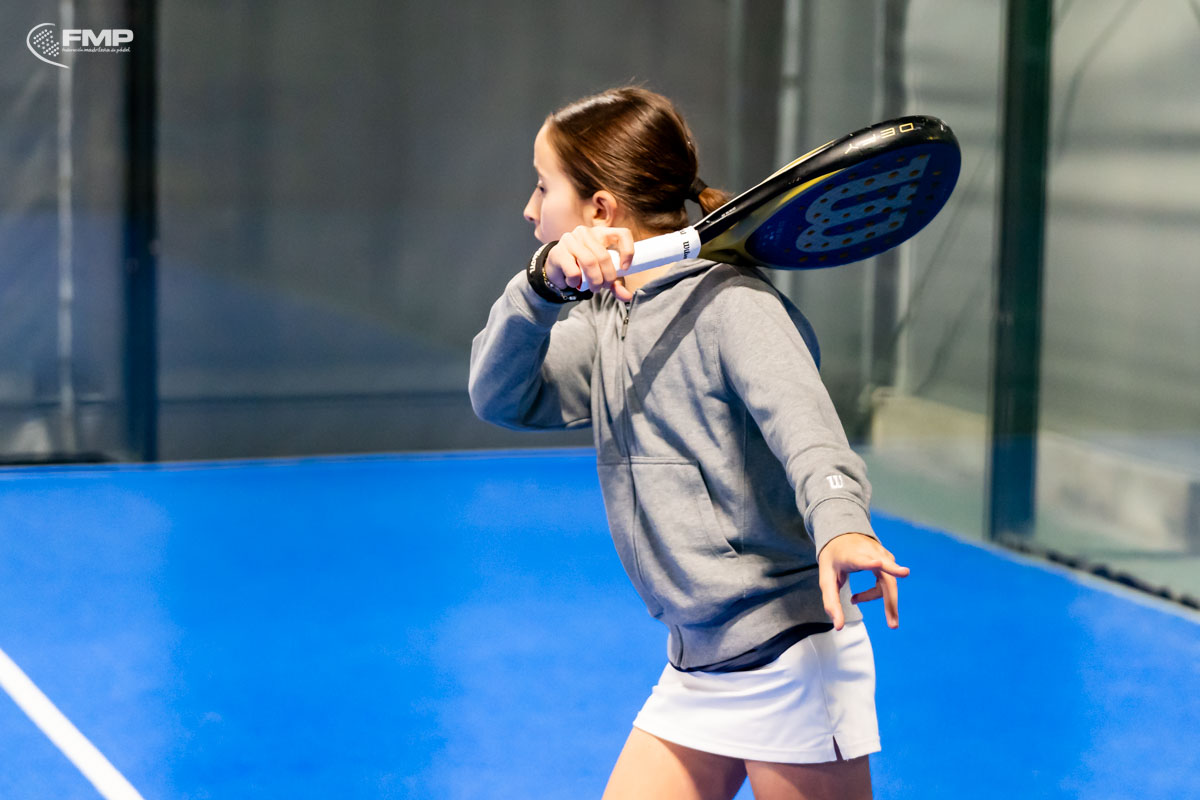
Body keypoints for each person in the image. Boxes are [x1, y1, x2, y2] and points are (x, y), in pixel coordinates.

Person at [468, 86, 910, 800]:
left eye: (544, 186)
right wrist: (539, 290)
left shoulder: (736, 305)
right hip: (699, 662)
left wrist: (842, 525)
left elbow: (809, 433)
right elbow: (501, 397)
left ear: (600, 209)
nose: (530, 208)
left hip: (789, 656)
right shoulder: (607, 319)